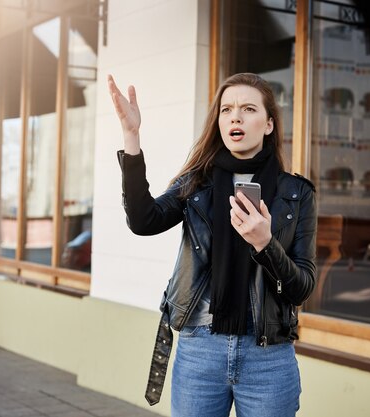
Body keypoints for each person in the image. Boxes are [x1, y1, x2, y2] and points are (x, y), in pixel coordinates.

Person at [108, 72, 317, 417]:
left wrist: (266, 244)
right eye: (227, 109)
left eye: (248, 108)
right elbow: (143, 221)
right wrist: (131, 137)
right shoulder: (196, 183)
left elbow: (302, 288)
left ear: (268, 124)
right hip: (200, 349)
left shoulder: (296, 194)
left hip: (267, 356)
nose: (235, 116)